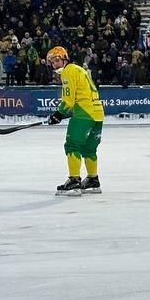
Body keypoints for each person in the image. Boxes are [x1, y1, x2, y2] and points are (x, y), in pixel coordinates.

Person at [45, 46, 104, 195]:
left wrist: (58, 114)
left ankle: (74, 180)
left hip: (84, 114)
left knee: (72, 145)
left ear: (64, 58)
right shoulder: (79, 69)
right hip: (97, 113)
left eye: (56, 60)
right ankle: (92, 179)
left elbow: (68, 100)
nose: (55, 64)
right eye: (52, 62)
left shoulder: (68, 71)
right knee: (89, 149)